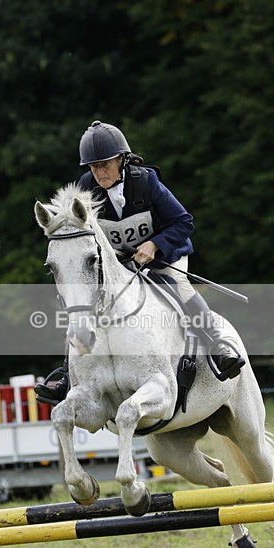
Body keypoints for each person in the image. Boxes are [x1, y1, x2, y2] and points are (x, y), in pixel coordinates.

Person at [35, 120, 245, 405]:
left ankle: (217, 346)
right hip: (120, 264)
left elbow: (184, 222)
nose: (99, 172)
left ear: (121, 159)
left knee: (179, 287)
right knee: (83, 303)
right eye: (93, 166)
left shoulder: (146, 182)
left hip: (164, 257)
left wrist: (154, 244)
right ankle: (69, 377)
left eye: (105, 164)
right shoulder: (86, 189)